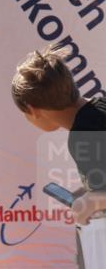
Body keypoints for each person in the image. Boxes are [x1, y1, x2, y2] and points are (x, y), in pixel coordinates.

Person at [11, 45, 106, 223]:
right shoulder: (101, 105)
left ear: (33, 110)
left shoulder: (82, 135)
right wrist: (88, 193)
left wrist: (90, 203)